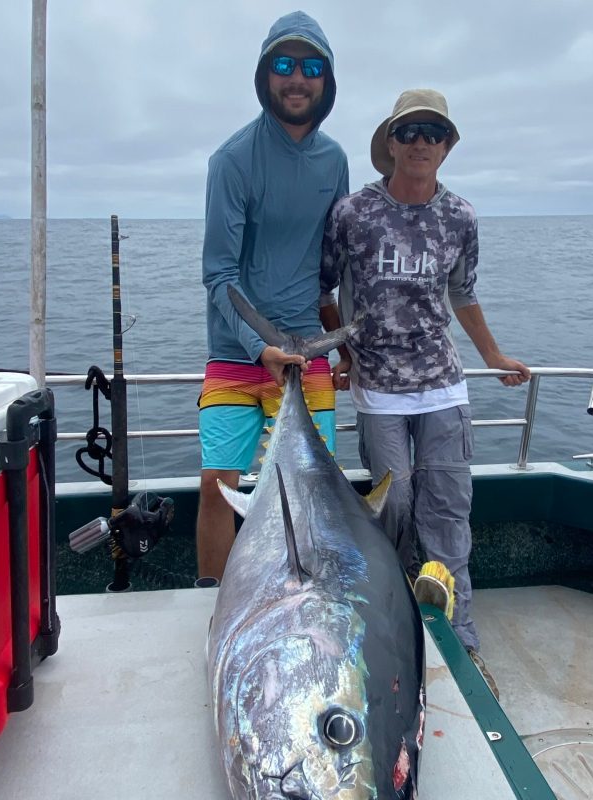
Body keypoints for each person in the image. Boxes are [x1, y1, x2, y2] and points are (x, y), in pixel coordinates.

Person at [320, 88, 529, 691]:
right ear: (389, 143)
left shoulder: (461, 216)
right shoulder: (353, 212)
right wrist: (343, 352)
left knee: (448, 513)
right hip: (379, 390)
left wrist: (492, 355)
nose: (420, 142)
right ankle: (387, 627)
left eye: (433, 132)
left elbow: (463, 293)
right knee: (394, 509)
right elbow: (323, 289)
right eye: (409, 131)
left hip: (443, 387)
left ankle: (459, 642)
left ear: (448, 145)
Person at [197, 11, 348, 581]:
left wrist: (345, 341)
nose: (296, 78)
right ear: (265, 76)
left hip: (308, 354)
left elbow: (329, 267)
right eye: (284, 65)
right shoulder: (232, 161)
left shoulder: (335, 160)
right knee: (218, 486)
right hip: (238, 355)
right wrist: (259, 345)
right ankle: (214, 602)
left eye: (311, 67)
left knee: (313, 494)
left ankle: (306, 602)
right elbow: (219, 274)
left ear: (326, 82)